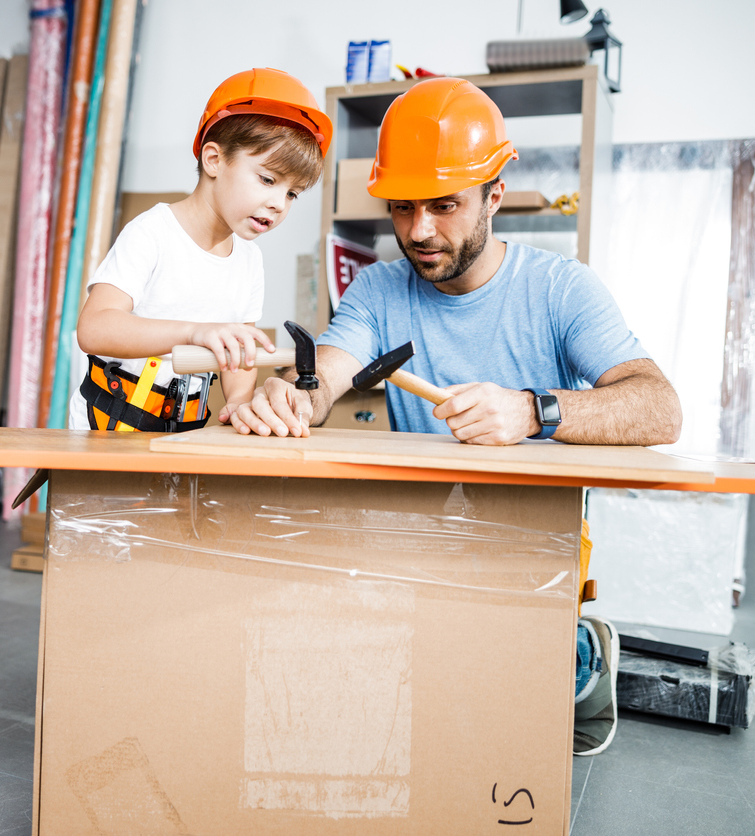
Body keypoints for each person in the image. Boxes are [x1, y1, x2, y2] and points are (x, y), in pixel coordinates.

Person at [229, 77, 683, 756]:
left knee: (512, 721)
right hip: (422, 543)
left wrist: (534, 411)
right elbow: (328, 371)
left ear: (495, 195)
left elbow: (661, 407)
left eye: (444, 206)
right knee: (415, 721)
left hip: (535, 549)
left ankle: (581, 644)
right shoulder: (381, 287)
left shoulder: (562, 290)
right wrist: (292, 396)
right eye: (402, 207)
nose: (419, 231)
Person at [68, 68, 331, 432]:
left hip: (180, 437)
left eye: (291, 193)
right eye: (267, 179)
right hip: (107, 433)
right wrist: (194, 331)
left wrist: (241, 403)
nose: (278, 204)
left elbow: (239, 356)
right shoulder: (153, 232)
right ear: (213, 160)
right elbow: (94, 329)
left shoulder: (249, 261)